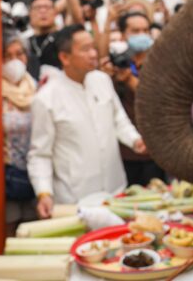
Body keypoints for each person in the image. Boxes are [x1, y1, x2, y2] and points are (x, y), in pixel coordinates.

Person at [28, 25, 146, 217]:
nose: (93, 54)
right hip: (76, 198)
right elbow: (40, 154)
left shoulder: (102, 80)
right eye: (85, 49)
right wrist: (44, 192)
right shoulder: (46, 99)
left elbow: (119, 120)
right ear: (64, 57)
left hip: (115, 191)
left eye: (93, 47)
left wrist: (135, 140)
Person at [114, 12, 166, 186]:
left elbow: (156, 98)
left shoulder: (160, 61)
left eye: (145, 30)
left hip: (155, 150)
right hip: (125, 152)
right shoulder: (118, 61)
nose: (142, 34)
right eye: (135, 30)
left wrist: (129, 79)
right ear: (123, 34)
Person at [1, 33, 38, 236]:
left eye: (19, 54)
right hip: (7, 174)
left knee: (34, 229)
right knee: (9, 227)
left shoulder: (36, 86)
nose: (14, 61)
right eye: (7, 56)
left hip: (34, 170)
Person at [24, 0, 84, 81]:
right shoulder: (24, 43)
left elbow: (77, 18)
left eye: (47, 7)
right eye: (38, 8)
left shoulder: (62, 37)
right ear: (29, 13)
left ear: (55, 12)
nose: (43, 11)